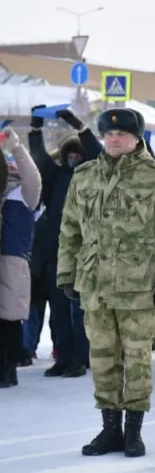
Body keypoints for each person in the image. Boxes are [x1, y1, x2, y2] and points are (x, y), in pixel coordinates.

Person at [58, 108, 155, 458]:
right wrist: (66, 274)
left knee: (137, 361)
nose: (114, 138)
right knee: (102, 359)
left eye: (122, 134)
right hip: (96, 287)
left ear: (136, 138)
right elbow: (69, 231)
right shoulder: (84, 176)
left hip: (140, 288)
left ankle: (133, 431)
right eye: (109, 134)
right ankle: (109, 428)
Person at [29, 106, 104, 378]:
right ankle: (63, 357)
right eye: (69, 155)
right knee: (58, 309)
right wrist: (35, 129)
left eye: (77, 155)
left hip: (84, 252)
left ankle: (81, 358)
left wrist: (79, 126)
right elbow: (38, 158)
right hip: (55, 252)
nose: (73, 158)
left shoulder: (95, 175)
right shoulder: (58, 176)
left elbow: (98, 153)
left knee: (79, 309)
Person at [0, 131, 40, 388]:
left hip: (12, 262)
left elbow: (33, 177)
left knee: (10, 319)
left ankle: (8, 369)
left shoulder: (22, 195)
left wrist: (16, 147)